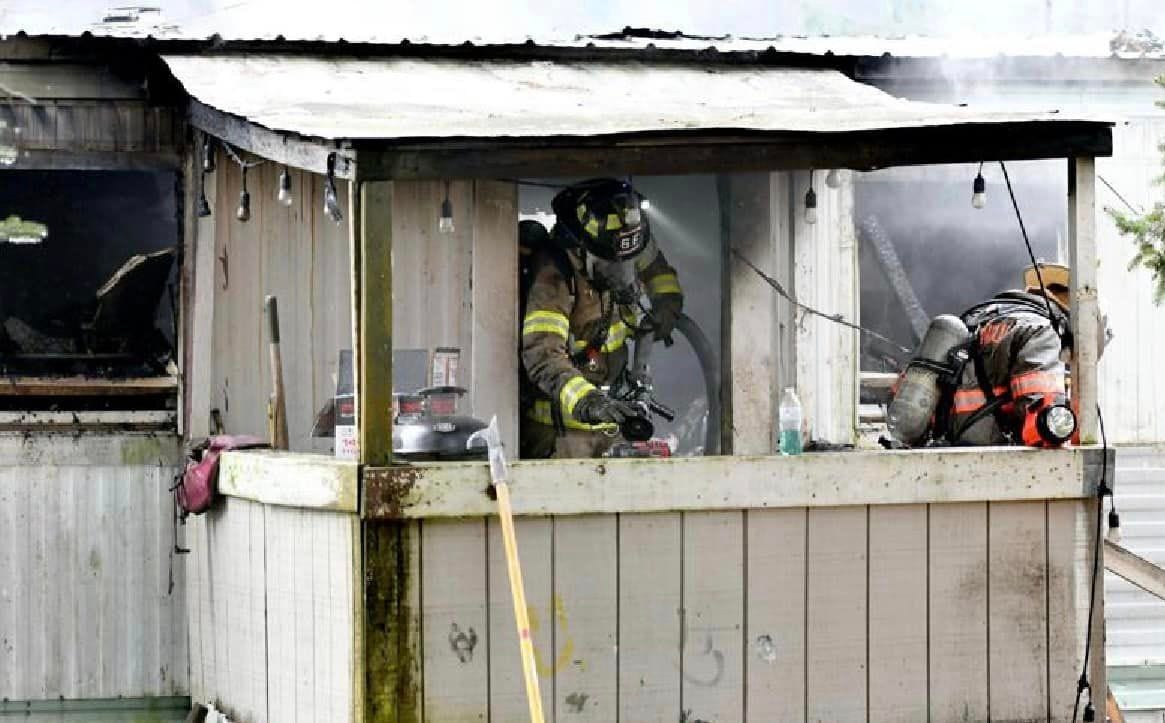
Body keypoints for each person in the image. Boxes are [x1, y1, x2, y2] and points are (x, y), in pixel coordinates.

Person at [519, 178, 683, 459]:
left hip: (611, 427)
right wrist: (587, 401)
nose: (624, 274)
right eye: (611, 265)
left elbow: (659, 272)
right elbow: (542, 355)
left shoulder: (624, 242)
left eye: (629, 263)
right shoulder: (555, 274)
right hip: (561, 435)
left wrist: (665, 309)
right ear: (582, 251)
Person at [933, 262, 1078, 447]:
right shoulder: (1040, 329)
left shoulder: (979, 321)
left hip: (947, 445)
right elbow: (1039, 413)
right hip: (996, 455)